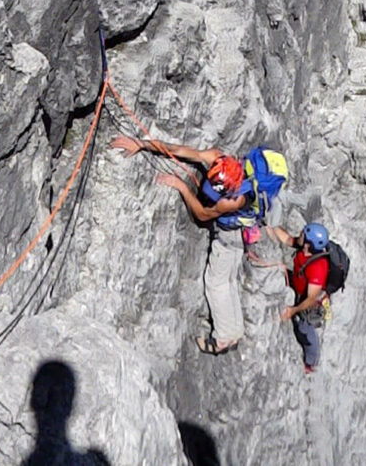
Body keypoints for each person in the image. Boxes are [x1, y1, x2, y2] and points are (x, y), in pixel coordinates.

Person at [110, 132, 260, 354]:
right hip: (239, 235)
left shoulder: (233, 201)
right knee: (228, 281)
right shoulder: (217, 158)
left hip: (229, 238)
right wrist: (141, 144)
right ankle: (234, 330)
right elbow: (179, 150)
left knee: (216, 283)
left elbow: (201, 213)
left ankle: (222, 339)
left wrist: (181, 186)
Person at [271, 223, 336, 374]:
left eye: (302, 234)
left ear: (308, 244)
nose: (299, 233)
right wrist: (269, 225)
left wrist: (293, 311)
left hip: (309, 302)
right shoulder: (305, 248)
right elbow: (287, 239)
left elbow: (312, 298)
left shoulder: (318, 267)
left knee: (305, 330)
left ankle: (311, 362)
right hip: (300, 286)